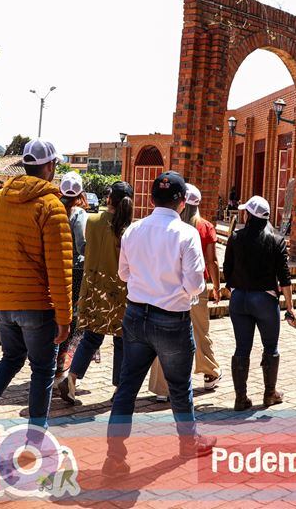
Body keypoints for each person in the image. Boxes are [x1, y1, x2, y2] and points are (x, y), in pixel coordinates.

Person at [103, 171, 216, 477]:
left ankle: (114, 455)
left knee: (127, 387)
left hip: (136, 315)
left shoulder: (133, 230)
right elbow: (195, 283)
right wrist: (180, 291)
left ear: (151, 199)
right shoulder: (186, 234)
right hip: (171, 319)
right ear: (182, 203)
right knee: (179, 386)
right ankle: (187, 441)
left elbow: (124, 274)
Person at [0, 138, 72, 428]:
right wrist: (64, 317)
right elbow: (59, 269)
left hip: (4, 303)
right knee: (42, 369)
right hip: (37, 306)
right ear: (49, 166)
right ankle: (37, 433)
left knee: (11, 359)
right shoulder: (51, 207)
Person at [58, 181, 134, 404]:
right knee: (121, 340)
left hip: (92, 287)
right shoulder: (128, 229)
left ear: (108, 198)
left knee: (91, 337)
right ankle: (119, 388)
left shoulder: (91, 221)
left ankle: (71, 379)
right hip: (119, 290)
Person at [148, 183, 222, 401]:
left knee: (164, 336)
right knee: (200, 332)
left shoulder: (169, 226)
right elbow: (212, 261)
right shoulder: (205, 227)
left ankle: (163, 388)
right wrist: (217, 286)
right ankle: (210, 373)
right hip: (196, 289)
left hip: (169, 287)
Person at [223, 195, 296, 411]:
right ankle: (269, 393)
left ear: (249, 215)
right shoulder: (276, 240)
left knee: (241, 348)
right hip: (264, 299)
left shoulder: (235, 237)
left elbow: (227, 269)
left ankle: (240, 398)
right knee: (270, 347)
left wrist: (233, 287)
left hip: (239, 300)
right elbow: (285, 278)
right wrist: (290, 307)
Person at [55, 171, 88, 384]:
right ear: (80, 194)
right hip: (76, 271)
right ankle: (65, 364)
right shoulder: (78, 215)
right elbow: (82, 245)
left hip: (55, 269)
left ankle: (55, 360)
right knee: (74, 318)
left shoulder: (54, 210)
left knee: (58, 315)